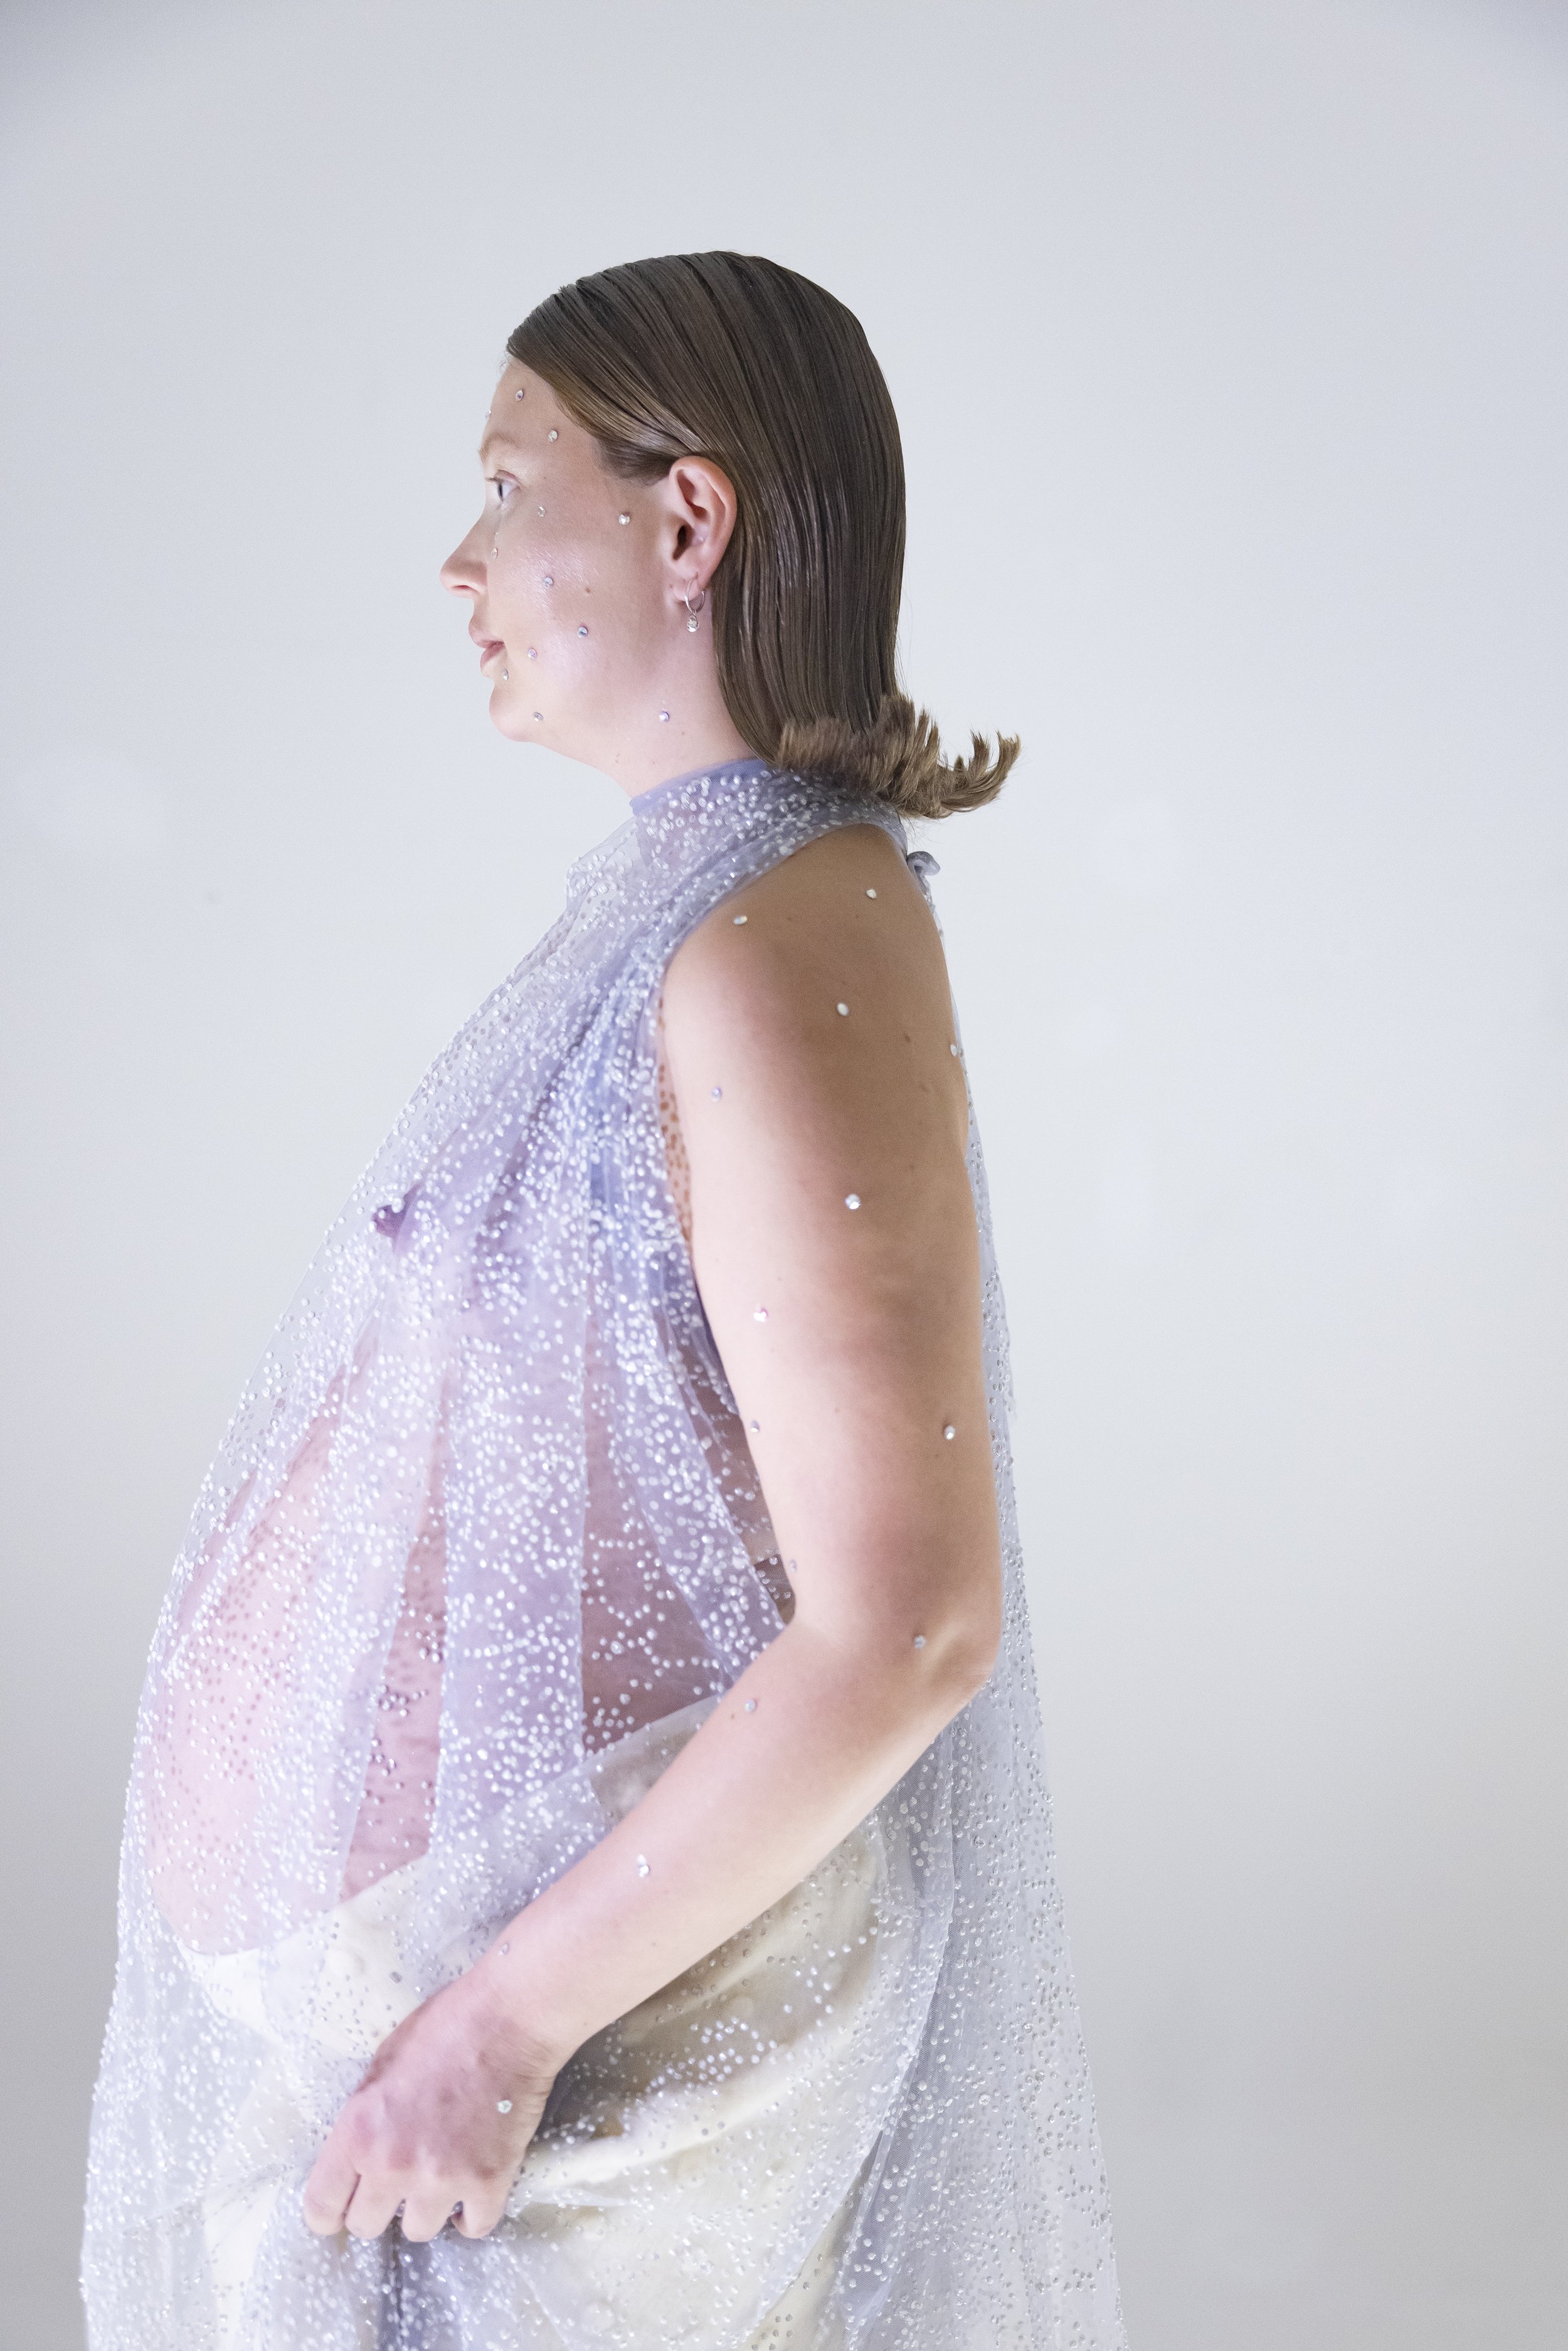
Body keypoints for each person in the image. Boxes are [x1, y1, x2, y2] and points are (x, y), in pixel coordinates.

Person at [83, 251, 1125, 2350]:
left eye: (502, 481)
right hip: (492, 2073)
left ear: (684, 519)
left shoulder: (779, 931)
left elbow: (910, 1616)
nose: (454, 554)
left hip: (585, 2075)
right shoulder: (696, 893)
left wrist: (496, 2023)